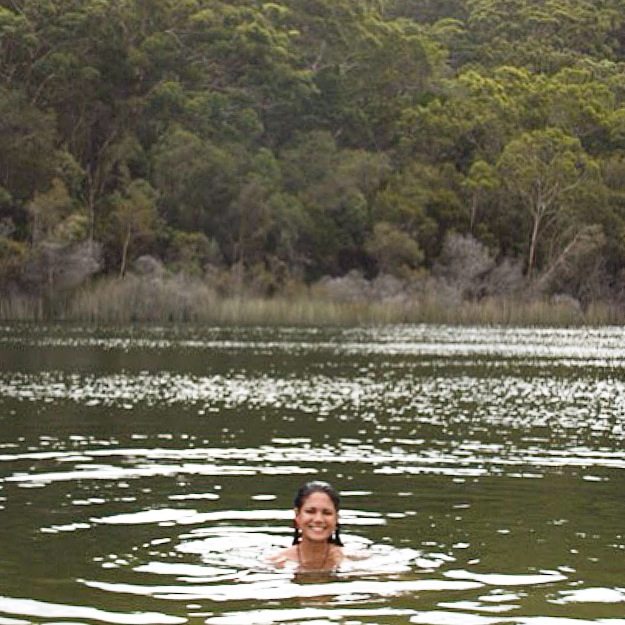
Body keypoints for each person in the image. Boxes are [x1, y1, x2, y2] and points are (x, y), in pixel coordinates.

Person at [269, 480, 344, 571]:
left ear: (336, 518)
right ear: (297, 515)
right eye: (310, 511)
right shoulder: (275, 563)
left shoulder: (352, 561)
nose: (318, 519)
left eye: (327, 513)